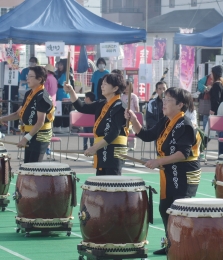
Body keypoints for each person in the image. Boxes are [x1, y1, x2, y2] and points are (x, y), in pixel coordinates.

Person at [124, 87, 201, 255]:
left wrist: (159, 161)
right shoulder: (166, 121)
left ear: (180, 104)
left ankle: (186, 246)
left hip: (184, 173)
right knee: (165, 207)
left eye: (168, 100)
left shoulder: (185, 124)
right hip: (169, 171)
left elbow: (183, 153)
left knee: (180, 210)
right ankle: (171, 245)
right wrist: (133, 120)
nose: (163, 103)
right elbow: (145, 135)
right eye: (164, 99)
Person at [64, 73, 127, 176]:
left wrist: (93, 148)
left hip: (114, 151)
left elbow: (114, 133)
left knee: (112, 185)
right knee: (101, 184)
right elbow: (81, 107)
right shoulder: (101, 103)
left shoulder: (120, 107)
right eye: (102, 84)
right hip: (101, 148)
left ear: (115, 88)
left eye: (105, 84)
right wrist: (71, 91)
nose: (102, 86)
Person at [0, 66, 54, 163]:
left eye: (30, 76)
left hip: (40, 135)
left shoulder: (43, 97)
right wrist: (2, 119)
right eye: (27, 76)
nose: (27, 78)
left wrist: (25, 139)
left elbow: (40, 122)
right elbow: (18, 114)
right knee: (27, 165)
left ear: (39, 79)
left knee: (34, 167)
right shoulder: (29, 93)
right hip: (30, 133)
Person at [54, 59, 73, 133]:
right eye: (59, 65)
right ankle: (58, 126)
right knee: (59, 112)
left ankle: (65, 126)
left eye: (61, 65)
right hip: (59, 96)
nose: (59, 66)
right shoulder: (59, 73)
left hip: (65, 96)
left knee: (65, 112)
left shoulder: (66, 74)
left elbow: (61, 84)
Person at [121, 80, 139, 151]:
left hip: (132, 117)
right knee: (124, 131)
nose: (126, 88)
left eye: (128, 87)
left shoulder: (134, 96)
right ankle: (125, 144)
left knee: (131, 131)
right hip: (124, 116)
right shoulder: (122, 97)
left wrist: (137, 114)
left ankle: (132, 146)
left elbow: (136, 106)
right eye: (125, 87)